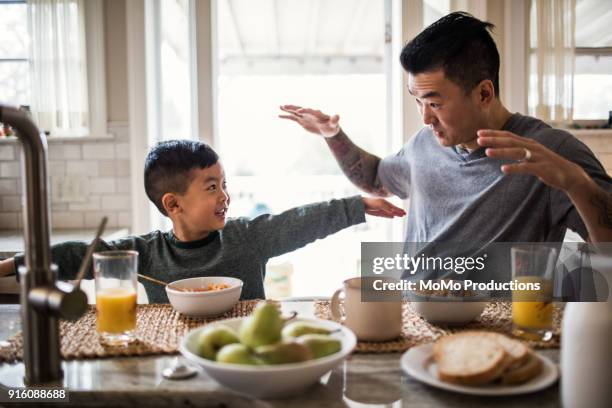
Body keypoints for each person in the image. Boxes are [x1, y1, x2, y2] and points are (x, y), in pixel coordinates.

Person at [279, 12, 612, 251]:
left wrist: (575, 182)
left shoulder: (548, 151)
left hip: (494, 333)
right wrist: (332, 135)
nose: (425, 118)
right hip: (411, 318)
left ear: (484, 93)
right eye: (417, 100)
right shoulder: (424, 143)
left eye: (435, 103)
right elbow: (377, 180)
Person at [0, 140, 405, 302]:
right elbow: (78, 256)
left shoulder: (245, 237)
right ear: (173, 204)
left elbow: (299, 220)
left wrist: (357, 206)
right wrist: (12, 265)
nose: (225, 196)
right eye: (211, 187)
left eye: (224, 184)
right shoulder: (145, 254)